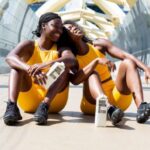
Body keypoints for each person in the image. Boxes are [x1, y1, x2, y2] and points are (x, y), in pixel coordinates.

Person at [63, 20, 150, 125]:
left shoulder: (99, 44)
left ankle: (142, 107)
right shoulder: (71, 57)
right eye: (69, 29)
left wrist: (145, 68)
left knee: (128, 62)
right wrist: (95, 62)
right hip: (93, 104)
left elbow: (125, 55)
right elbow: (75, 81)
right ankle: (108, 108)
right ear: (65, 38)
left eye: (74, 25)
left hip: (116, 99)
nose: (74, 28)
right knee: (92, 73)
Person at [3, 13, 77, 125]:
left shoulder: (61, 48)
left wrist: (45, 64)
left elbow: (71, 59)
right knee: (16, 67)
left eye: (61, 28)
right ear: (44, 25)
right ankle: (12, 107)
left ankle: (44, 105)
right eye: (55, 26)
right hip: (28, 101)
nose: (59, 30)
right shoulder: (29, 45)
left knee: (64, 67)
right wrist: (30, 69)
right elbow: (10, 57)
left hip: (54, 102)